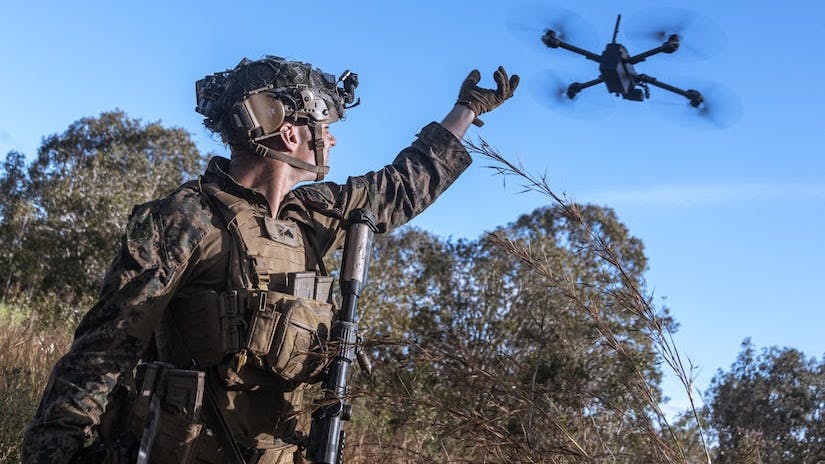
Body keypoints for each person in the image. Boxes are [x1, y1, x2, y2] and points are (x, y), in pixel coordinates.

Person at [22, 55, 518, 464]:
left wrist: (466, 111)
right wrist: (53, 452)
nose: (333, 139)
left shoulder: (314, 214)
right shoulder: (184, 220)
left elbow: (400, 186)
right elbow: (101, 352)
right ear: (288, 135)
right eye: (323, 125)